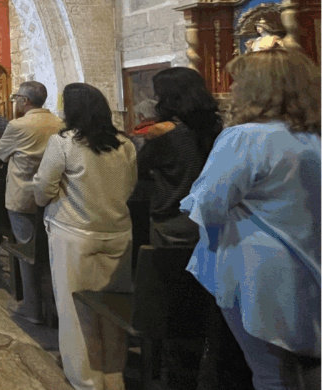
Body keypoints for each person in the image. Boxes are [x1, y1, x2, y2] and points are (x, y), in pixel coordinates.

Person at [181, 49, 321, 390]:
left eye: (239, 81)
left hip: (259, 269)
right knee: (305, 372)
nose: (233, 88)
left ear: (258, 88)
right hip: (309, 262)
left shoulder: (246, 137)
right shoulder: (312, 137)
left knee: (271, 374)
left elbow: (208, 205)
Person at [34, 83, 137, 390]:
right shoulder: (125, 144)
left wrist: (54, 200)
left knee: (74, 309)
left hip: (74, 232)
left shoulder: (64, 142)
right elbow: (130, 186)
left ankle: (86, 379)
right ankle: (113, 376)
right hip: (117, 232)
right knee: (111, 309)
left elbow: (43, 189)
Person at [0, 81, 63, 325]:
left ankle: (33, 308)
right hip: (53, 196)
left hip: (23, 196)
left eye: (16, 99)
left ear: (24, 101)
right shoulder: (59, 123)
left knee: (27, 252)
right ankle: (54, 306)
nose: (15, 103)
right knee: (49, 251)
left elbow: (1, 153)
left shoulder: (18, 125)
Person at [138, 67, 222, 247]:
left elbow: (138, 167)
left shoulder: (164, 132)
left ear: (168, 97)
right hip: (209, 214)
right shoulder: (215, 126)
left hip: (172, 217)